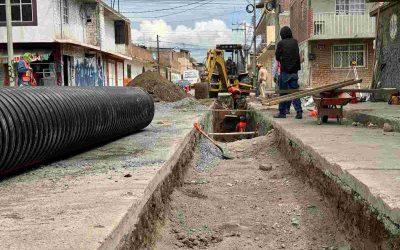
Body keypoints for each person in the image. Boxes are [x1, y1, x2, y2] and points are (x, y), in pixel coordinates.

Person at [274, 26, 303, 119]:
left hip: (285, 71)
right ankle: (299, 112)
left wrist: (282, 58)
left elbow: (277, 57)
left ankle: (282, 112)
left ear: (282, 34)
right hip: (294, 72)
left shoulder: (281, 43)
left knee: (283, 92)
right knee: (295, 92)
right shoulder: (295, 42)